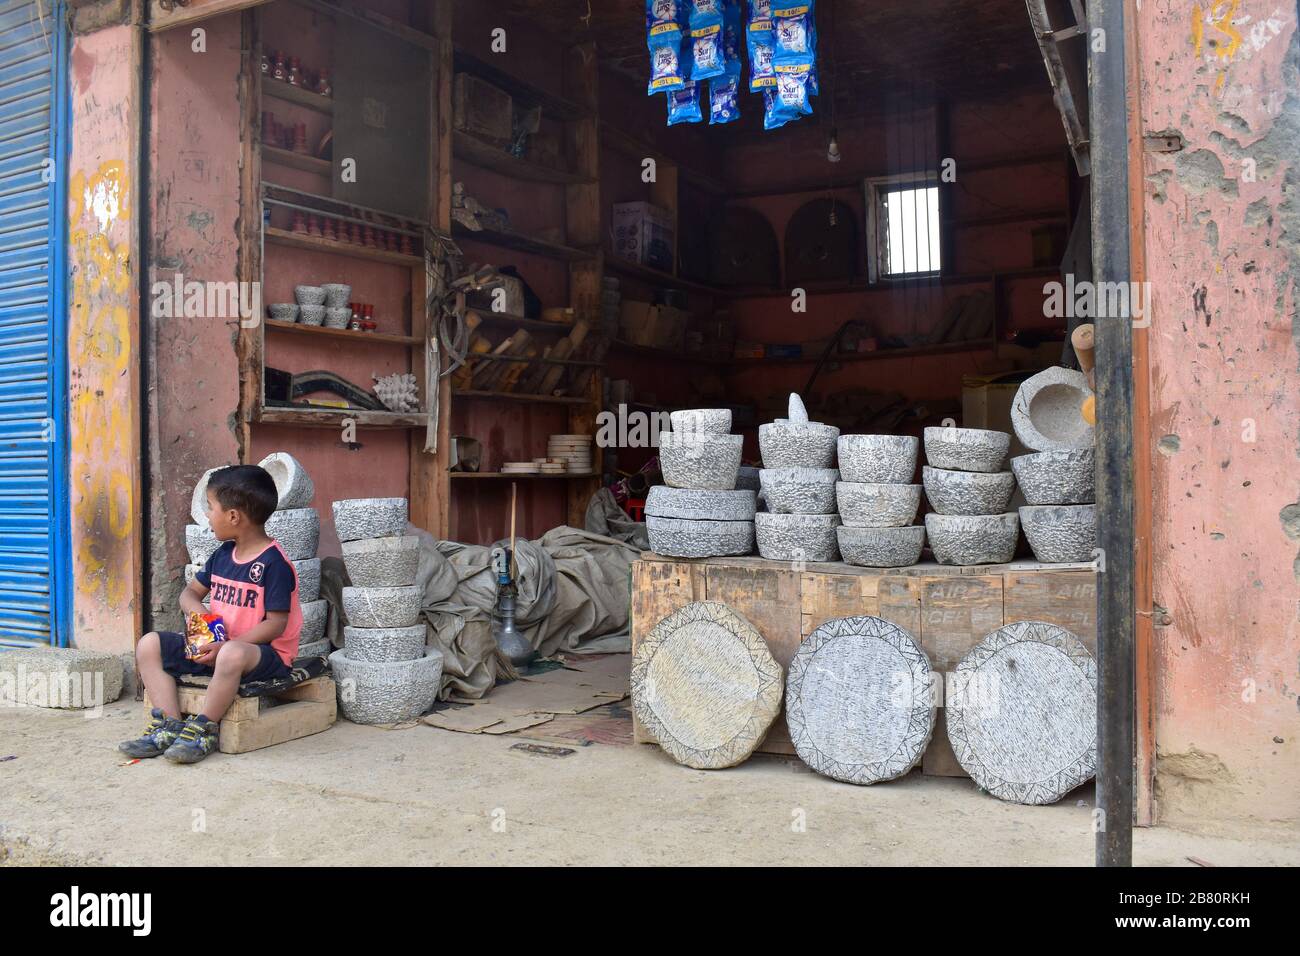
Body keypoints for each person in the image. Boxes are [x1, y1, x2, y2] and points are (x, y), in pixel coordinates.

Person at [119, 465, 302, 764]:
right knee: (149, 644)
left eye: (211, 507)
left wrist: (227, 645)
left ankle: (204, 728)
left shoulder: (274, 564)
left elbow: (276, 624)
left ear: (233, 516)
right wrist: (205, 623)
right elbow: (189, 594)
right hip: (217, 648)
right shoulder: (223, 555)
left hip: (262, 655)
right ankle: (169, 725)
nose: (207, 515)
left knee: (231, 653)